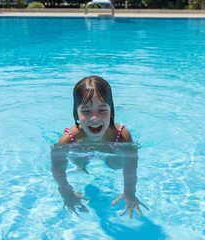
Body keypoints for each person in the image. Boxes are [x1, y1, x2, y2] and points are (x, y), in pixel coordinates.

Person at [51, 75, 148, 218]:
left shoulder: (122, 136)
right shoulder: (69, 139)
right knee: (79, 161)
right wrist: (65, 191)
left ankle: (99, 162)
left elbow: (131, 166)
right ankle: (81, 165)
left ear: (111, 111)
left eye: (102, 110)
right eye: (86, 111)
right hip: (80, 150)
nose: (95, 118)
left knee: (116, 164)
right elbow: (57, 167)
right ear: (76, 113)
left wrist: (129, 192)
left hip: (110, 149)